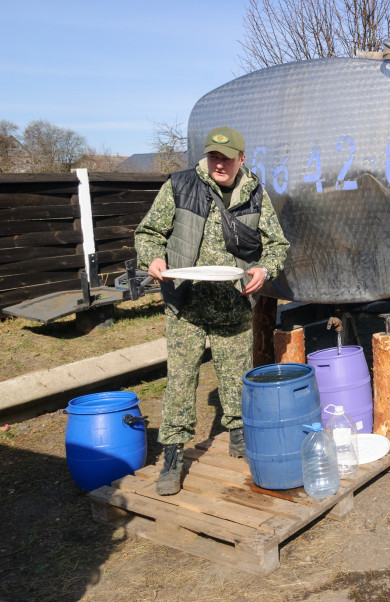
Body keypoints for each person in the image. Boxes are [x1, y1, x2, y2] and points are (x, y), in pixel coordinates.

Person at [135, 126, 289, 495]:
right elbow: (148, 233)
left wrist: (265, 269)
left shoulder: (256, 194)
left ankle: (239, 434)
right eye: (213, 156)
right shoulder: (180, 185)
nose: (219, 164)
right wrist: (153, 258)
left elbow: (277, 245)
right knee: (180, 381)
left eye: (227, 157)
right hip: (185, 303)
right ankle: (173, 453)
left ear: (242, 158)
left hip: (233, 304)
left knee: (237, 375)